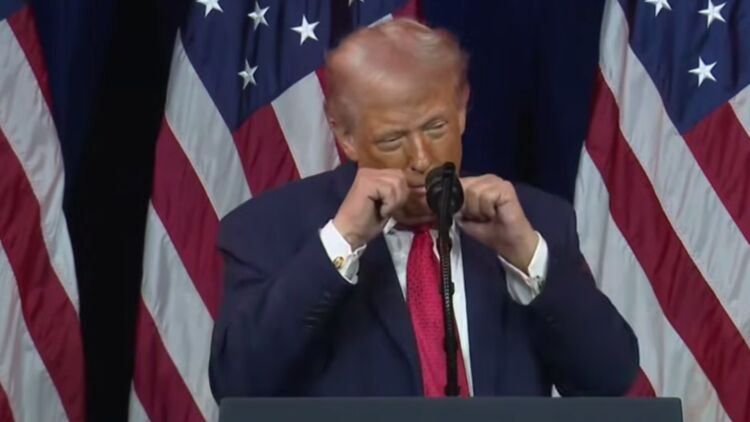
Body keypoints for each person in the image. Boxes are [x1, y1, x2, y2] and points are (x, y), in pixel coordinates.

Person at [208, 18, 638, 400]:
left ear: (462, 109)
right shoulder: (269, 229)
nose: (421, 158)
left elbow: (609, 378)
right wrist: (342, 242)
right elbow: (239, 384)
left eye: (436, 127)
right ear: (345, 135)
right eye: (393, 139)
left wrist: (528, 258)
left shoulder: (536, 220)